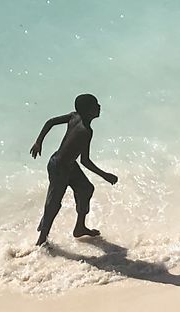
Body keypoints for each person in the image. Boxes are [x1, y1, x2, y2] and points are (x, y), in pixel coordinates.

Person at [29, 93, 118, 246]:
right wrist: (105, 175)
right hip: (59, 167)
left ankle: (80, 227)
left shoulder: (74, 116)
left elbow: (50, 122)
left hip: (67, 164)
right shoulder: (85, 131)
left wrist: (39, 142)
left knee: (86, 189)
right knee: (54, 203)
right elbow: (85, 161)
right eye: (95, 104)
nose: (99, 106)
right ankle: (41, 240)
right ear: (88, 111)